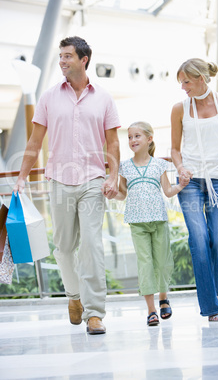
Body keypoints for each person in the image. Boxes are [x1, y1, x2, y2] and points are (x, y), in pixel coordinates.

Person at [13, 36, 120, 334]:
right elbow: (35, 142)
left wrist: (113, 175)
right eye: (60, 56)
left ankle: (95, 312)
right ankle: (73, 296)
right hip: (59, 179)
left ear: (83, 59)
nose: (62, 60)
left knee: (92, 245)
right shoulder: (48, 97)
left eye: (67, 56)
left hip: (93, 180)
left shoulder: (104, 98)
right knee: (63, 247)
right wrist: (22, 175)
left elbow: (112, 141)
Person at [171, 58, 218, 322]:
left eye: (186, 82)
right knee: (199, 240)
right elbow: (174, 150)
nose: (183, 87)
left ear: (201, 78)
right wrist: (180, 168)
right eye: (180, 82)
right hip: (190, 183)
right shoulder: (179, 109)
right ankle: (211, 307)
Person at [115, 121, 185, 326]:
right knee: (145, 264)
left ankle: (164, 298)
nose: (132, 140)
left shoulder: (159, 164)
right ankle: (151, 310)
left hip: (159, 221)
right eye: (129, 137)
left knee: (162, 262)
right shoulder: (124, 167)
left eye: (137, 136)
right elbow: (122, 194)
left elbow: (168, 191)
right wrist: (111, 193)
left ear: (149, 139)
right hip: (137, 223)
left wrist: (180, 185)